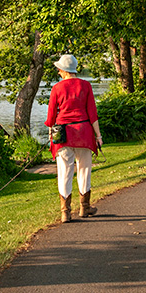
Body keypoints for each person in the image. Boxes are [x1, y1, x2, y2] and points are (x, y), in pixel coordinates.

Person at [44, 52, 103, 222]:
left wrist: (50, 135)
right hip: (84, 132)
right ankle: (84, 208)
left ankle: (65, 212)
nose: (58, 72)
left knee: (64, 172)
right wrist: (98, 136)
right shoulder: (86, 86)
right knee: (84, 170)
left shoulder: (57, 88)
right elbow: (93, 113)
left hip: (63, 134)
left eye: (59, 69)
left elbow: (50, 117)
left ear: (64, 70)